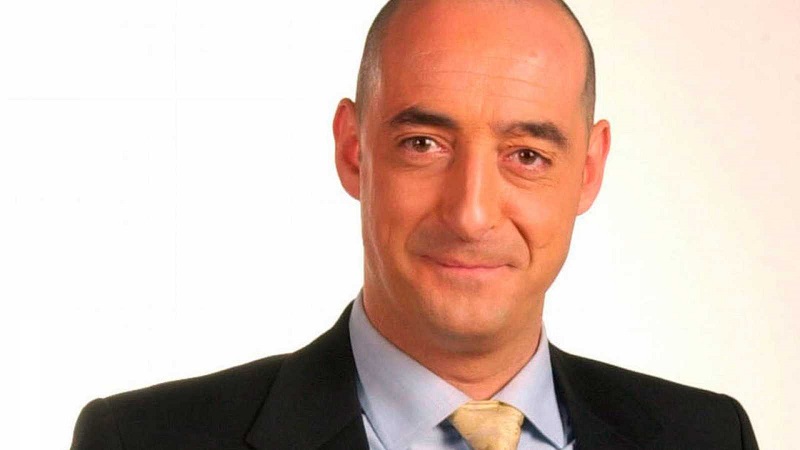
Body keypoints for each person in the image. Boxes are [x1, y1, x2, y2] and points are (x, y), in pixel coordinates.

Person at [71, 0, 759, 449]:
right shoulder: (141, 441)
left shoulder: (709, 438)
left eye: (526, 155)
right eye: (423, 144)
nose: (471, 213)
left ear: (588, 169)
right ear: (353, 151)